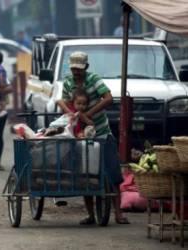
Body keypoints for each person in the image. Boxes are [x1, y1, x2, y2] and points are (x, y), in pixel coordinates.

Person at [57, 51, 129, 225]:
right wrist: (74, 115)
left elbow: (108, 98)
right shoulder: (67, 82)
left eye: (79, 69)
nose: (76, 72)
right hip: (80, 134)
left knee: (113, 172)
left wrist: (88, 114)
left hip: (101, 131)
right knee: (85, 174)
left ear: (86, 67)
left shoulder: (94, 79)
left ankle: (118, 214)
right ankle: (90, 214)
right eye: (73, 68)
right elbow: (65, 104)